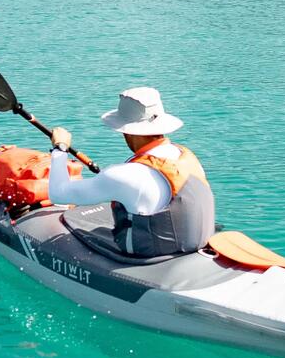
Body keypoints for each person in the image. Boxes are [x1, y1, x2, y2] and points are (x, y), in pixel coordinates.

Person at [48, 87, 216, 258]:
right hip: (193, 243)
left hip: (152, 253)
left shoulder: (124, 175)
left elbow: (58, 194)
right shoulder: (186, 156)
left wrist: (60, 148)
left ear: (127, 131)